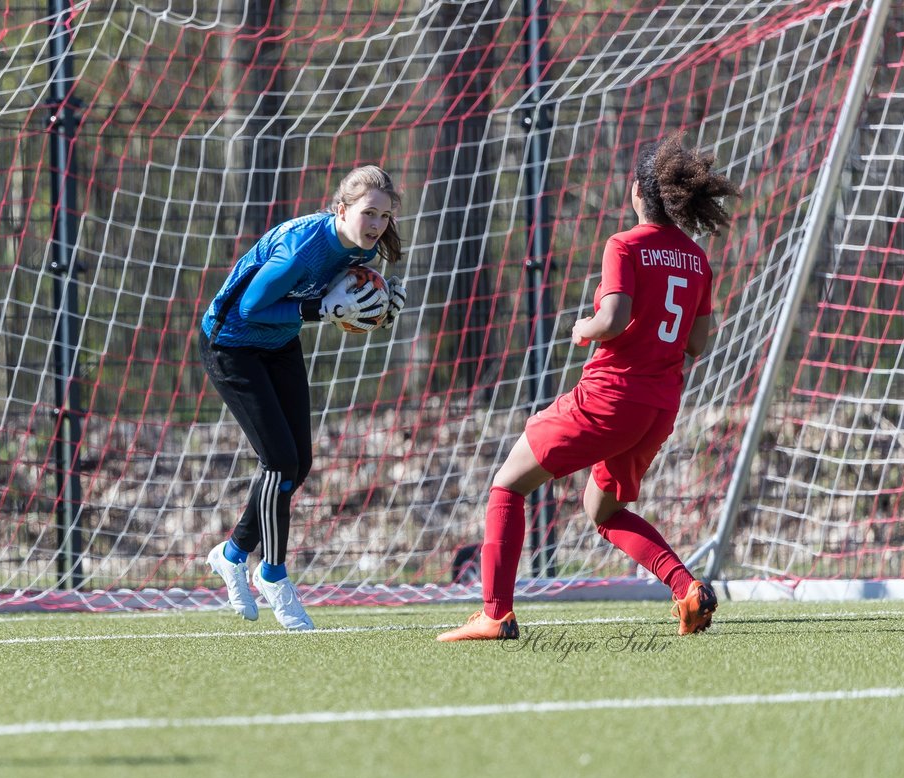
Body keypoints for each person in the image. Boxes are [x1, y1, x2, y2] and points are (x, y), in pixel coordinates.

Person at [438, 135, 742, 641]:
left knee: (508, 484)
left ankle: (495, 613)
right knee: (603, 510)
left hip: (609, 397)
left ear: (636, 194)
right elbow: (698, 344)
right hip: (658, 406)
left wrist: (585, 326)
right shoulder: (696, 258)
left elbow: (614, 317)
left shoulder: (624, 244)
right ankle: (688, 590)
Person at [201, 165, 408, 630]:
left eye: (384, 216)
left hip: (277, 343)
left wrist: (379, 312)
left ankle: (232, 553)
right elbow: (252, 307)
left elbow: (343, 304)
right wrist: (321, 310)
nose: (376, 224)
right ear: (341, 209)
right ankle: (271, 572)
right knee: (277, 462)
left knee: (299, 463)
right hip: (231, 343)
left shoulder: (366, 249)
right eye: (367, 213)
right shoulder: (302, 247)